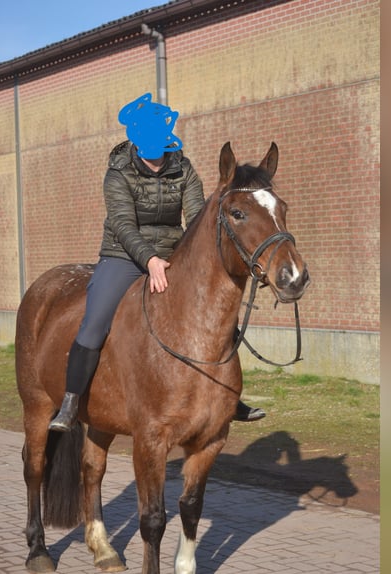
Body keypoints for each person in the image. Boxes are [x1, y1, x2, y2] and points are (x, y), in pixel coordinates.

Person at [49, 93, 264, 432]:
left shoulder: (184, 167)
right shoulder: (118, 172)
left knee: (216, 316)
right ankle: (71, 401)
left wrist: (194, 258)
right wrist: (149, 260)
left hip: (174, 253)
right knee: (95, 320)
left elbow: (196, 217)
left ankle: (227, 396)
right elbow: (122, 224)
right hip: (124, 255)